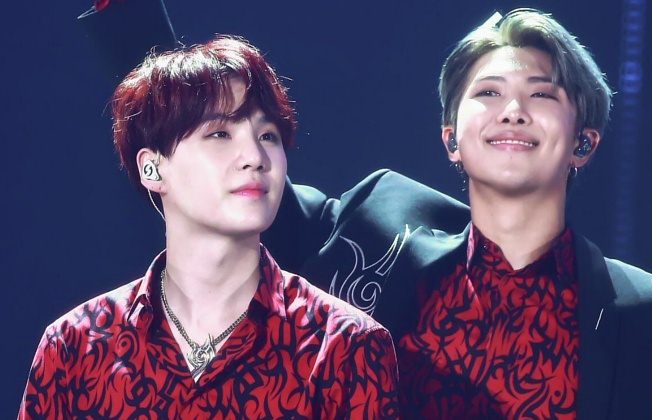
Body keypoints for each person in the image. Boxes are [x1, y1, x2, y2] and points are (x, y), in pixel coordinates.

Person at [263, 9, 652, 419]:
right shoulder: (375, 226)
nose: (513, 112)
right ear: (451, 140)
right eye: (489, 92)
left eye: (541, 94)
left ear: (583, 143)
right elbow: (239, 185)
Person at [19, 36, 399, 419]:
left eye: (268, 136)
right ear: (152, 168)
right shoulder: (74, 347)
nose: (254, 157)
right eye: (220, 134)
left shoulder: (344, 346)